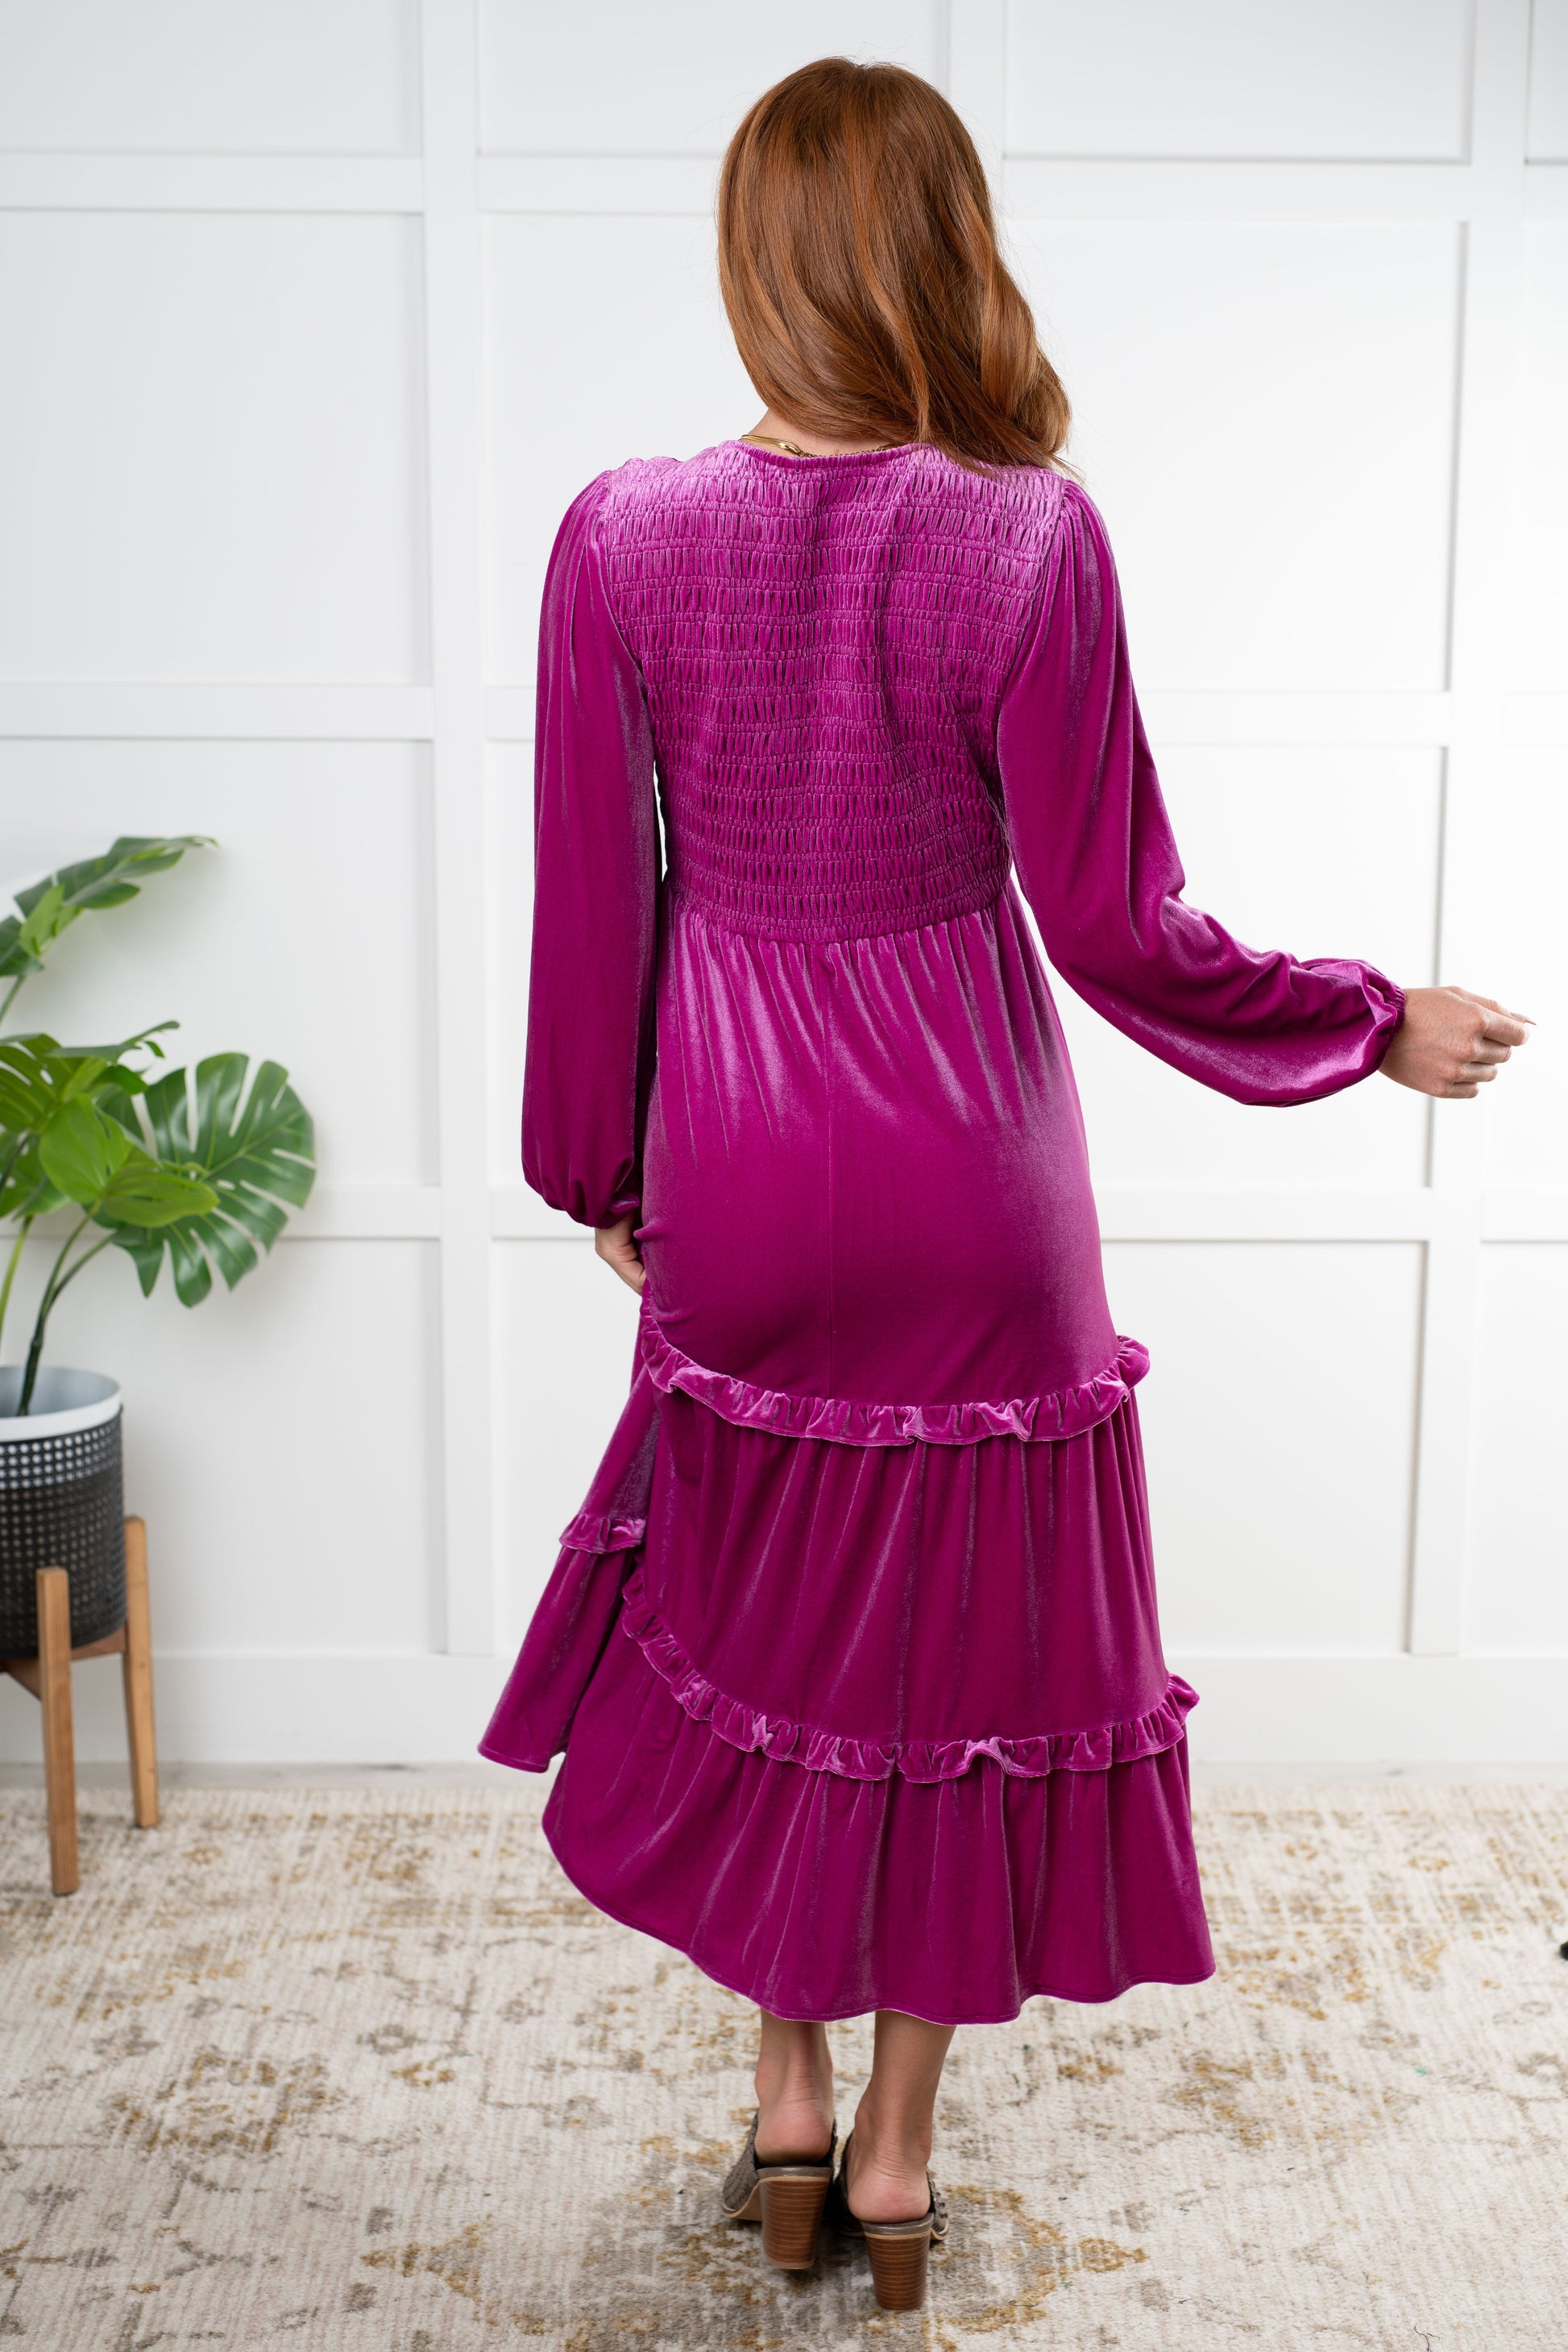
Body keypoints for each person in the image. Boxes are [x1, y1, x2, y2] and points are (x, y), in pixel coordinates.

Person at [480, 56, 1532, 2315]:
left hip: (738, 1149)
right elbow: (1114, 922)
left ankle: (779, 2095)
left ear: (757, 259)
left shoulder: (616, 534)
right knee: (957, 1654)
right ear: (946, 252)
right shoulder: (1030, 535)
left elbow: (593, 896)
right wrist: (1364, 1019)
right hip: (971, 1164)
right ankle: (893, 2151)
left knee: (759, 1631)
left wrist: (596, 1163)